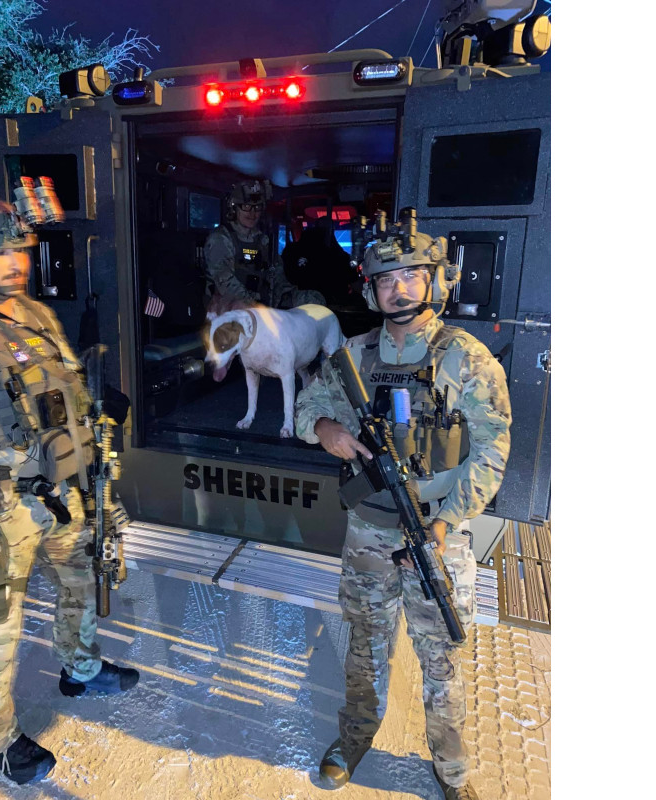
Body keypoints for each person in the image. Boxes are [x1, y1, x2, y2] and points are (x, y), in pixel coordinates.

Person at [294, 225, 512, 800]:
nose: (398, 289)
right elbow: (307, 405)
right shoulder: (357, 354)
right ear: (372, 291)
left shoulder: (466, 359)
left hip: (436, 531)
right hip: (367, 529)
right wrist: (325, 428)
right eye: (386, 279)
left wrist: (445, 523)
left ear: (434, 280)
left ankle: (451, 767)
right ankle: (355, 737)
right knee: (365, 646)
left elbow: (492, 452)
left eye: (410, 274)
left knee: (441, 660)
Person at [0, 186, 138, 785]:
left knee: (83, 582)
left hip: (64, 490)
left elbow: (69, 390)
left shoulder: (35, 314)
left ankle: (78, 667)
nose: (15, 263)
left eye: (20, 251)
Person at [204, 178, 325, 309]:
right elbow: (225, 283)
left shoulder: (263, 240)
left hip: (260, 303)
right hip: (229, 306)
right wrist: (256, 306)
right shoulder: (221, 239)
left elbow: (277, 275)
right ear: (234, 208)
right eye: (246, 206)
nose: (252, 213)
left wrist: (285, 295)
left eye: (257, 207)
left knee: (314, 299)